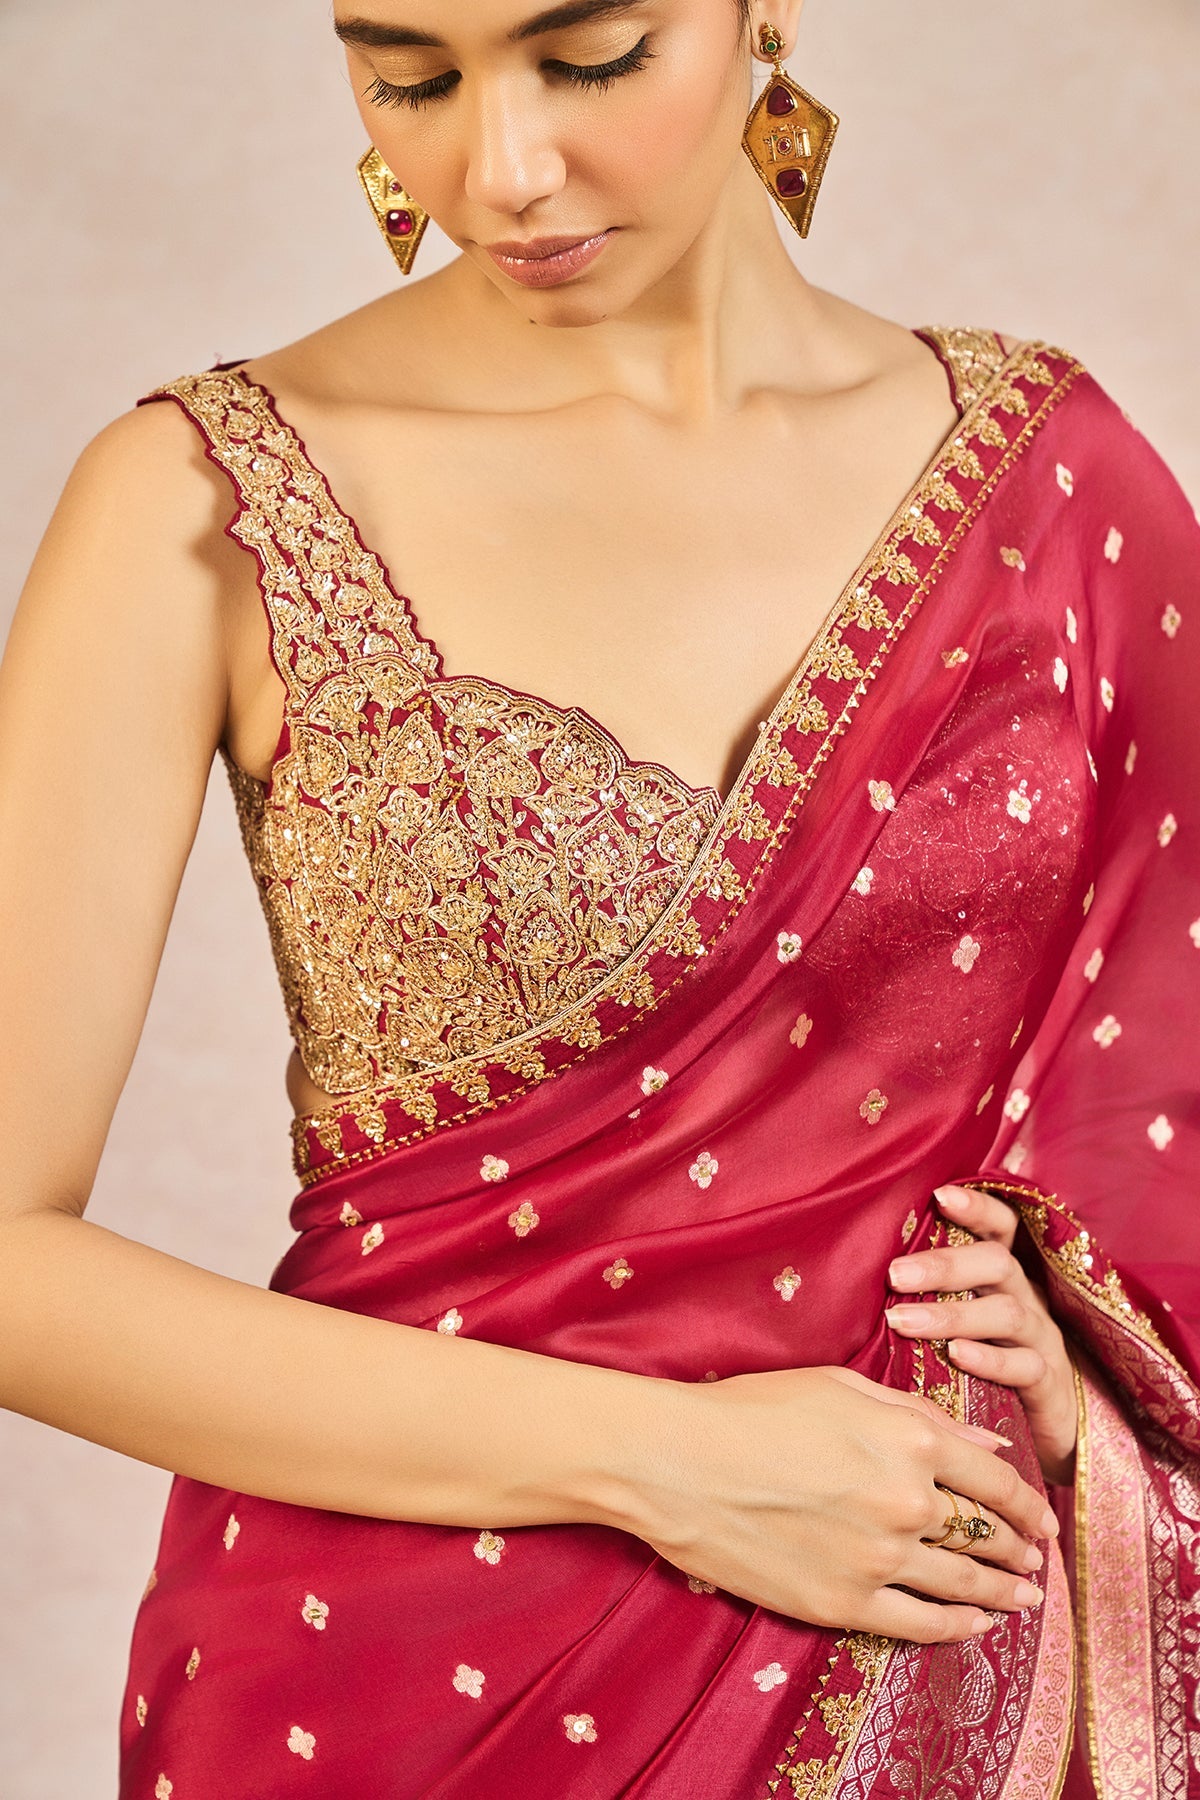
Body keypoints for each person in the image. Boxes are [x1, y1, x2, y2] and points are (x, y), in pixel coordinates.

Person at [1, 0, 1197, 1794]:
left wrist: (1086, 1349)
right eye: (409, 77)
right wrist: (669, 1465)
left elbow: (1160, 1097)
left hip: (931, 1641)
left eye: (591, 57)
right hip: (379, 1683)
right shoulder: (200, 503)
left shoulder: (1062, 485)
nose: (500, 168)